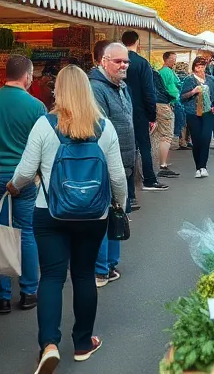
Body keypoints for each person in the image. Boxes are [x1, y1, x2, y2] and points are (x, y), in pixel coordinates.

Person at [7, 65, 126, 373]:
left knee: (52, 277)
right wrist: (119, 206)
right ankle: (84, 343)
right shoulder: (104, 127)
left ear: (57, 91)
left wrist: (14, 186)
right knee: (84, 275)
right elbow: (117, 177)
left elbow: (25, 170)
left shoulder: (44, 125)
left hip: (49, 213)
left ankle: (48, 344)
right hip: (93, 215)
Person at [0, 54, 46, 314]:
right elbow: (39, 148)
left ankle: (2, 295)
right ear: (27, 76)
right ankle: (29, 292)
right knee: (26, 232)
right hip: (24, 179)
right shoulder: (36, 107)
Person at [88, 42, 134, 285]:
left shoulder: (121, 86)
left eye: (126, 61)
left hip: (123, 159)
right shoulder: (96, 88)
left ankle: (110, 264)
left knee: (117, 212)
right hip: (105, 162)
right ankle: (100, 268)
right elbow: (100, 129)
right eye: (118, 61)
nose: (124, 65)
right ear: (103, 61)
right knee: (104, 215)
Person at [121, 31, 168, 192]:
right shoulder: (142, 63)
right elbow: (149, 92)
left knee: (125, 146)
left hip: (120, 110)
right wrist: (152, 115)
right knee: (144, 145)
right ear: (137, 42)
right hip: (139, 110)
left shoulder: (116, 62)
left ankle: (127, 183)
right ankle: (149, 179)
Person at [179, 58, 214, 177]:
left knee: (205, 138)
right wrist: (193, 92)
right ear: (194, 67)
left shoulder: (210, 79)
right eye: (198, 66)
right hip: (193, 113)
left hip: (208, 112)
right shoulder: (189, 80)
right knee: (197, 140)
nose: (200, 69)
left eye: (202, 66)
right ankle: (198, 168)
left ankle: (203, 166)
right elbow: (182, 97)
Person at [153, 52, 181, 178]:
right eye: (172, 59)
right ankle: (162, 165)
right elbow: (169, 88)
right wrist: (171, 99)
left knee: (159, 135)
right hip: (164, 104)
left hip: (161, 103)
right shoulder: (166, 72)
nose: (174, 62)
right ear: (166, 59)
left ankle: (159, 162)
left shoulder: (163, 71)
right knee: (166, 135)